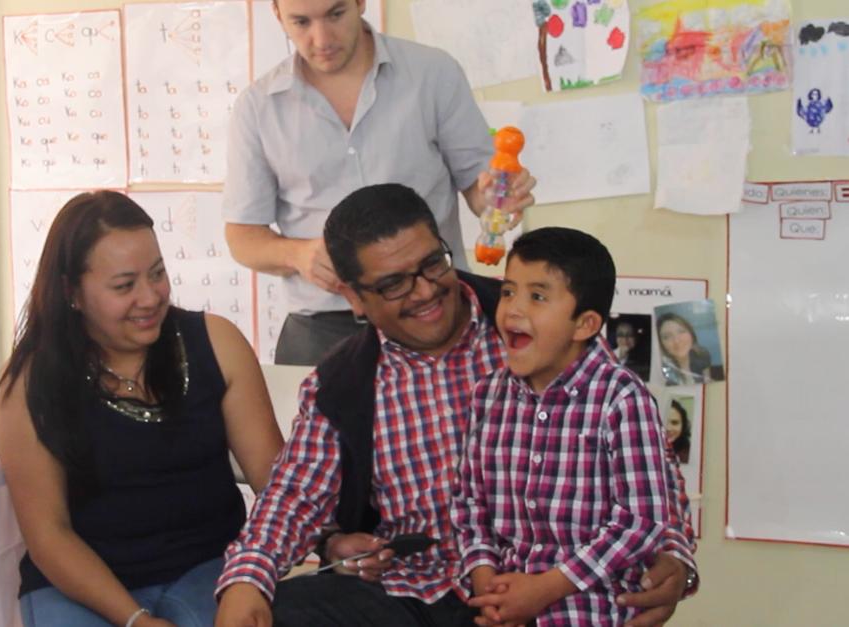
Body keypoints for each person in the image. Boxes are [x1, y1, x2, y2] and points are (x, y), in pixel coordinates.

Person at [214, 184, 697, 627]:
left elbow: (649, 471)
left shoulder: (533, 325)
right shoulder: (341, 383)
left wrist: (675, 557)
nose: (425, 292)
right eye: (393, 284)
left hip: (542, 584)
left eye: (432, 264)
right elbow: (293, 496)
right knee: (281, 613)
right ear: (354, 298)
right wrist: (246, 579)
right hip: (409, 589)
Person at [0, 191, 284, 627]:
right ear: (71, 292)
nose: (150, 298)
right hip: (83, 584)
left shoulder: (216, 342)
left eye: (158, 274)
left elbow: (279, 487)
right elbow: (49, 535)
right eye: (124, 286)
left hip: (208, 566)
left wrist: (327, 542)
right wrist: (135, 620)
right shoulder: (30, 384)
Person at [223, 0, 535, 365]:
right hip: (326, 329)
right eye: (301, 22)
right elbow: (242, 237)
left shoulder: (432, 73)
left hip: (435, 309)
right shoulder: (257, 108)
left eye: (335, 14)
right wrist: (299, 255)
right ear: (277, 15)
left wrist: (498, 200)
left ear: (360, 3)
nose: (321, 38)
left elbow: (481, 190)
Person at [451, 227, 674, 626]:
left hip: (591, 608)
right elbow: (469, 505)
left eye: (537, 296)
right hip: (504, 605)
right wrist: (489, 586)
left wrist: (545, 589)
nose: (513, 310)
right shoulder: (487, 395)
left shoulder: (621, 398)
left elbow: (642, 522)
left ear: (585, 324)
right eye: (507, 292)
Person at [656, 312, 723, 386]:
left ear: (691, 334)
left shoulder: (702, 354)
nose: (677, 341)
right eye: (667, 337)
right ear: (661, 343)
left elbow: (706, 381)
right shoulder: (662, 371)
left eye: (681, 332)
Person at [665, 400, 692, 464]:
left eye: (674, 423)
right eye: (663, 422)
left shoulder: (689, 454)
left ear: (683, 425)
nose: (668, 428)